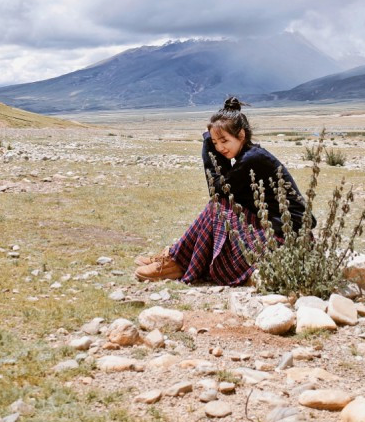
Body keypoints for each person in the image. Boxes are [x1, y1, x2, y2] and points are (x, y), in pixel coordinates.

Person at [134, 96, 315, 285]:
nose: (220, 148)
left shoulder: (252, 159)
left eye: (224, 141)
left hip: (286, 239)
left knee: (217, 207)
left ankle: (175, 261)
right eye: (215, 143)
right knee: (221, 207)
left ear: (241, 135)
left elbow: (218, 189)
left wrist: (207, 144)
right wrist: (211, 142)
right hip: (282, 234)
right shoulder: (250, 155)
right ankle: (176, 258)